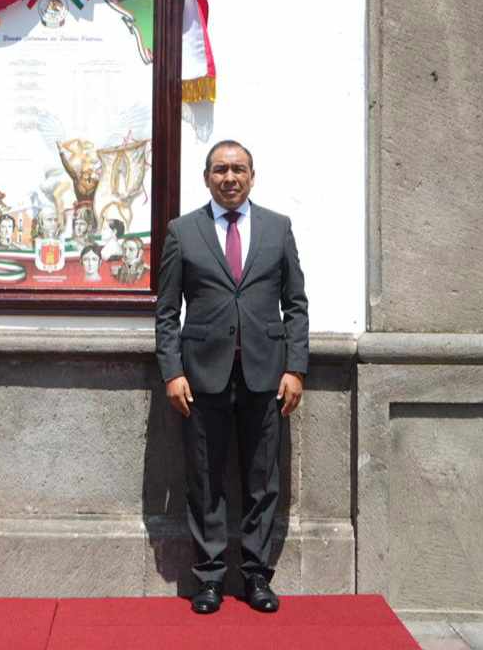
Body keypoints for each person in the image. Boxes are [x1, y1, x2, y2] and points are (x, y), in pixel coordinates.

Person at [154, 140, 308, 615]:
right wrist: (173, 371)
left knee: (263, 482)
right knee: (205, 479)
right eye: (220, 170)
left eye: (238, 169)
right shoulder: (183, 232)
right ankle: (210, 579)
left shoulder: (277, 229)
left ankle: (258, 577)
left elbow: (296, 305)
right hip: (201, 379)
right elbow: (166, 312)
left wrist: (295, 367)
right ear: (206, 178)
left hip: (266, 376)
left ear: (252, 176)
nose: (229, 178)